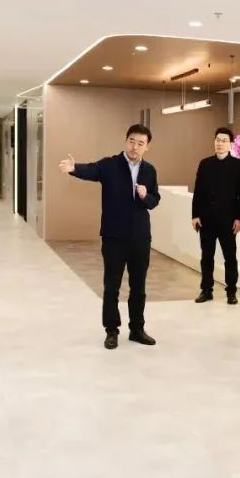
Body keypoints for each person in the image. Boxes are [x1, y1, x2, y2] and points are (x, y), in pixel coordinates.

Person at [58, 124, 161, 350]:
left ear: (147, 147)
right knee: (111, 286)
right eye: (132, 141)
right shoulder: (110, 164)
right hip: (114, 236)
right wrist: (74, 168)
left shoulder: (149, 170)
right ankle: (111, 330)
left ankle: (137, 329)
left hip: (140, 237)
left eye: (140, 143)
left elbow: (155, 200)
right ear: (126, 141)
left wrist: (146, 196)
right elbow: (92, 170)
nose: (135, 146)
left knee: (138, 287)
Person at [192, 127, 240, 305]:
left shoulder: (238, 166)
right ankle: (206, 290)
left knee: (230, 257)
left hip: (228, 220)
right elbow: (198, 191)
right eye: (217, 139)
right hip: (206, 219)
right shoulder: (205, 164)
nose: (220, 143)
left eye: (224, 140)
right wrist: (195, 215)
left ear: (231, 144)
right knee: (206, 257)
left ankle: (231, 291)